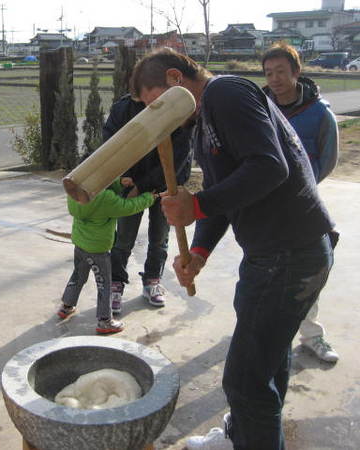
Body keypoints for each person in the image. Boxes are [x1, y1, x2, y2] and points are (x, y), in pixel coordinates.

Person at [131, 48, 334, 449]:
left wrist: (197, 205)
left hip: (288, 256)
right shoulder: (204, 120)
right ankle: (243, 437)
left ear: (176, 79)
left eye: (155, 104)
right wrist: (200, 252)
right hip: (278, 254)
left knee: (243, 380)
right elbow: (231, 192)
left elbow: (270, 166)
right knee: (266, 365)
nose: (157, 118)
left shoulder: (226, 93)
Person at [262, 42, 339, 363]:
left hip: (304, 208)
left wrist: (300, 190)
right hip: (264, 208)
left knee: (308, 272)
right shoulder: (260, 107)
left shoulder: (320, 113)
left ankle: (311, 335)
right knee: (264, 270)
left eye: (281, 71)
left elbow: (328, 159)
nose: (275, 79)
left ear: (297, 72)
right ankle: (263, 329)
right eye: (268, 73)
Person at [104, 94, 192, 312]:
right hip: (130, 183)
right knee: (123, 239)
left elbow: (180, 157)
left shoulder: (173, 108)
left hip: (165, 186)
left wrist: (143, 186)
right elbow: (110, 145)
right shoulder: (123, 109)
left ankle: (152, 279)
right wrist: (124, 180)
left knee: (159, 238)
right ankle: (115, 283)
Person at [58, 178, 159, 334]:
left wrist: (119, 183)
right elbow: (128, 207)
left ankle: (66, 306)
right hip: (98, 250)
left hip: (80, 244)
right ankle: (105, 321)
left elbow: (106, 189)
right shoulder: (105, 198)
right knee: (104, 284)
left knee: (78, 275)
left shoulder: (74, 192)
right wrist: (148, 198)